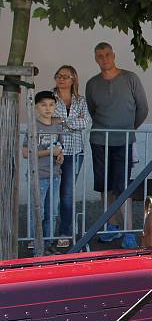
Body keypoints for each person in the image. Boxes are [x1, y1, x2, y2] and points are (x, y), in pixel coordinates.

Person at [86, 42, 149, 249]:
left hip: (123, 141)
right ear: (95, 59)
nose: (104, 59)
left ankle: (129, 231)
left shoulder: (130, 78)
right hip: (99, 141)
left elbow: (143, 108)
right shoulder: (92, 83)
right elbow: (92, 109)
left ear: (113, 55)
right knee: (105, 186)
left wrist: (128, 129)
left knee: (123, 187)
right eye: (99, 56)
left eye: (107, 54)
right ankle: (111, 226)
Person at [53, 65, 91, 248]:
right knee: (51, 194)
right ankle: (46, 232)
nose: (61, 79)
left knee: (67, 194)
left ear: (73, 79)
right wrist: (69, 124)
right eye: (59, 76)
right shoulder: (50, 99)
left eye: (65, 76)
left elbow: (86, 122)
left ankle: (64, 232)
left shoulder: (80, 101)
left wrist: (63, 122)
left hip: (75, 152)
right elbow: (48, 122)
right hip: (53, 152)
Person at [22, 91, 64, 252]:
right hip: (38, 175)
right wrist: (48, 152)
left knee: (52, 211)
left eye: (51, 104)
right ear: (36, 107)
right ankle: (35, 242)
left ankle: (48, 242)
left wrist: (60, 156)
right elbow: (26, 152)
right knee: (38, 211)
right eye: (43, 105)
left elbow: (60, 148)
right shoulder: (33, 126)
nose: (48, 108)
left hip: (55, 175)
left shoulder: (57, 126)